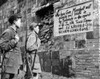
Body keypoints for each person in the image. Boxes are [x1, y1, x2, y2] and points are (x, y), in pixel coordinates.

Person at [0, 14, 23, 79]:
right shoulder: (8, 31)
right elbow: (3, 46)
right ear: (14, 22)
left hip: (14, 64)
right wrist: (14, 41)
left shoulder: (15, 32)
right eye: (19, 21)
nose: (20, 23)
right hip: (8, 65)